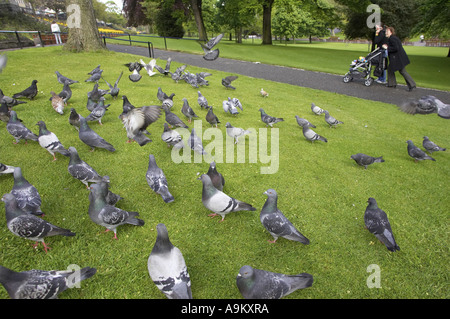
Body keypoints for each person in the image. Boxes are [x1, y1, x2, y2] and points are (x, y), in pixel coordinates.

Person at [382, 27, 416, 92]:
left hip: (398, 58)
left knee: (402, 71)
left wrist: (387, 48)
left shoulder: (392, 38)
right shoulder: (392, 38)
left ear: (391, 32)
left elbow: (396, 48)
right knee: (390, 69)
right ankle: (392, 84)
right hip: (398, 58)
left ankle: (412, 85)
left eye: (387, 32)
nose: (386, 33)